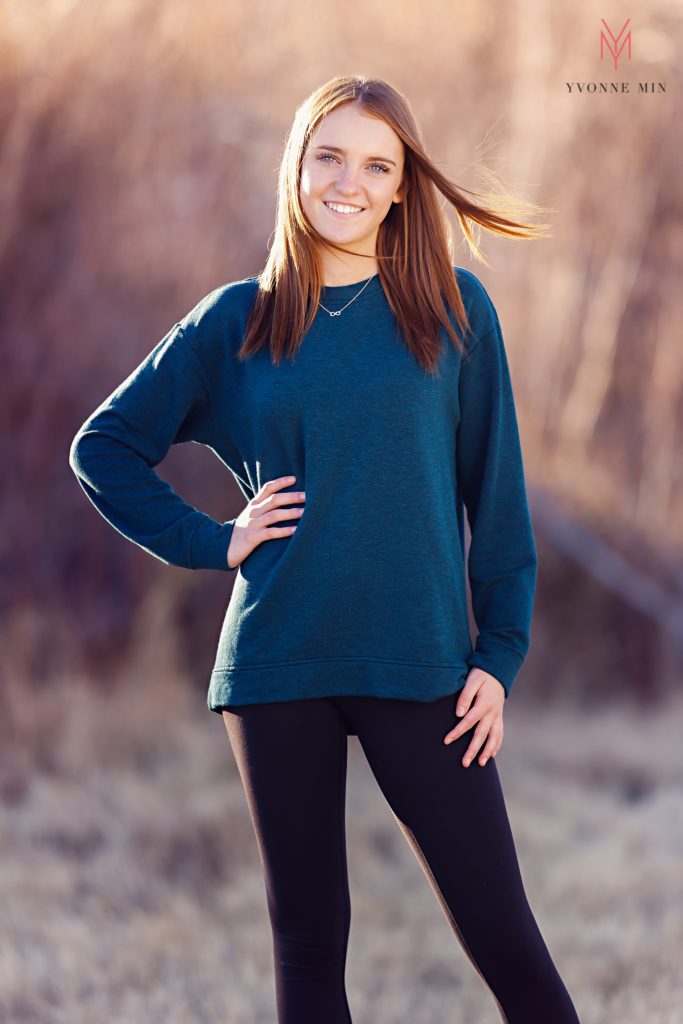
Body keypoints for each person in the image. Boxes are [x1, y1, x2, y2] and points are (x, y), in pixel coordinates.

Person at [69, 75, 580, 1023]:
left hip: (421, 660)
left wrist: (497, 659)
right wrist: (214, 540)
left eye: (376, 165)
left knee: (504, 935)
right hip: (277, 664)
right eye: (330, 157)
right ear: (296, 166)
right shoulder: (236, 320)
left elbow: (497, 506)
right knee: (308, 949)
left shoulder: (452, 309)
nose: (349, 182)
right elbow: (102, 448)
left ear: (400, 186)